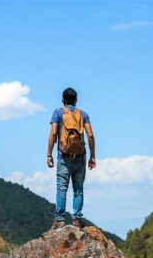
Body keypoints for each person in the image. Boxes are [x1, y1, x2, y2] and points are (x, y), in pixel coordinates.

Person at [47, 87, 96, 229]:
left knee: (62, 188)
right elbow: (90, 135)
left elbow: (53, 133)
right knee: (78, 189)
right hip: (80, 157)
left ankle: (59, 220)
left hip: (64, 156)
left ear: (62, 99)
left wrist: (49, 154)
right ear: (76, 100)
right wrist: (92, 156)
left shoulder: (58, 113)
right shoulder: (84, 114)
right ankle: (77, 219)